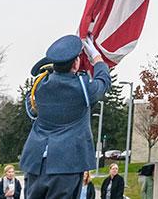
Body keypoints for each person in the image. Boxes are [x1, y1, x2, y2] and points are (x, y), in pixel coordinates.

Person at [20, 35, 111, 199]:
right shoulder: (82, 89)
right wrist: (97, 58)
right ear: (76, 63)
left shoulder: (40, 87)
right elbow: (103, 81)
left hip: (35, 162)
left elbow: (31, 107)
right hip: (66, 164)